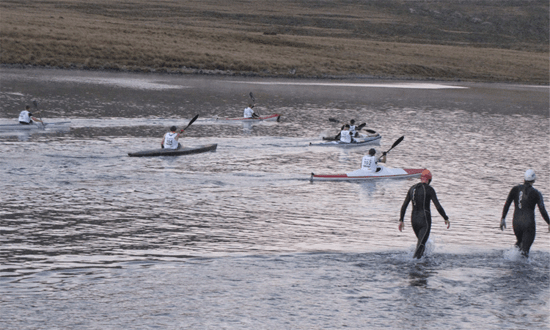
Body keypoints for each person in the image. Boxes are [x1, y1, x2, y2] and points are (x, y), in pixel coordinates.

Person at [399, 169, 450, 259]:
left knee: (420, 244)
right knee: (420, 246)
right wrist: (445, 217)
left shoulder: (412, 188)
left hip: (414, 220)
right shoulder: (429, 189)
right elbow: (437, 206)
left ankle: (421, 265)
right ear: (428, 180)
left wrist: (401, 220)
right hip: (424, 220)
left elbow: (404, 206)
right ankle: (415, 266)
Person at [500, 169, 550, 258]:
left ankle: (510, 261)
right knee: (525, 251)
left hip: (516, 223)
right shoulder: (536, 193)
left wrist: (503, 218)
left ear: (524, 179)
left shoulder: (515, 189)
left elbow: (507, 203)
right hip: (528, 224)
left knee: (519, 243)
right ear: (534, 180)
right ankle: (522, 269)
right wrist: (549, 222)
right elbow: (542, 209)